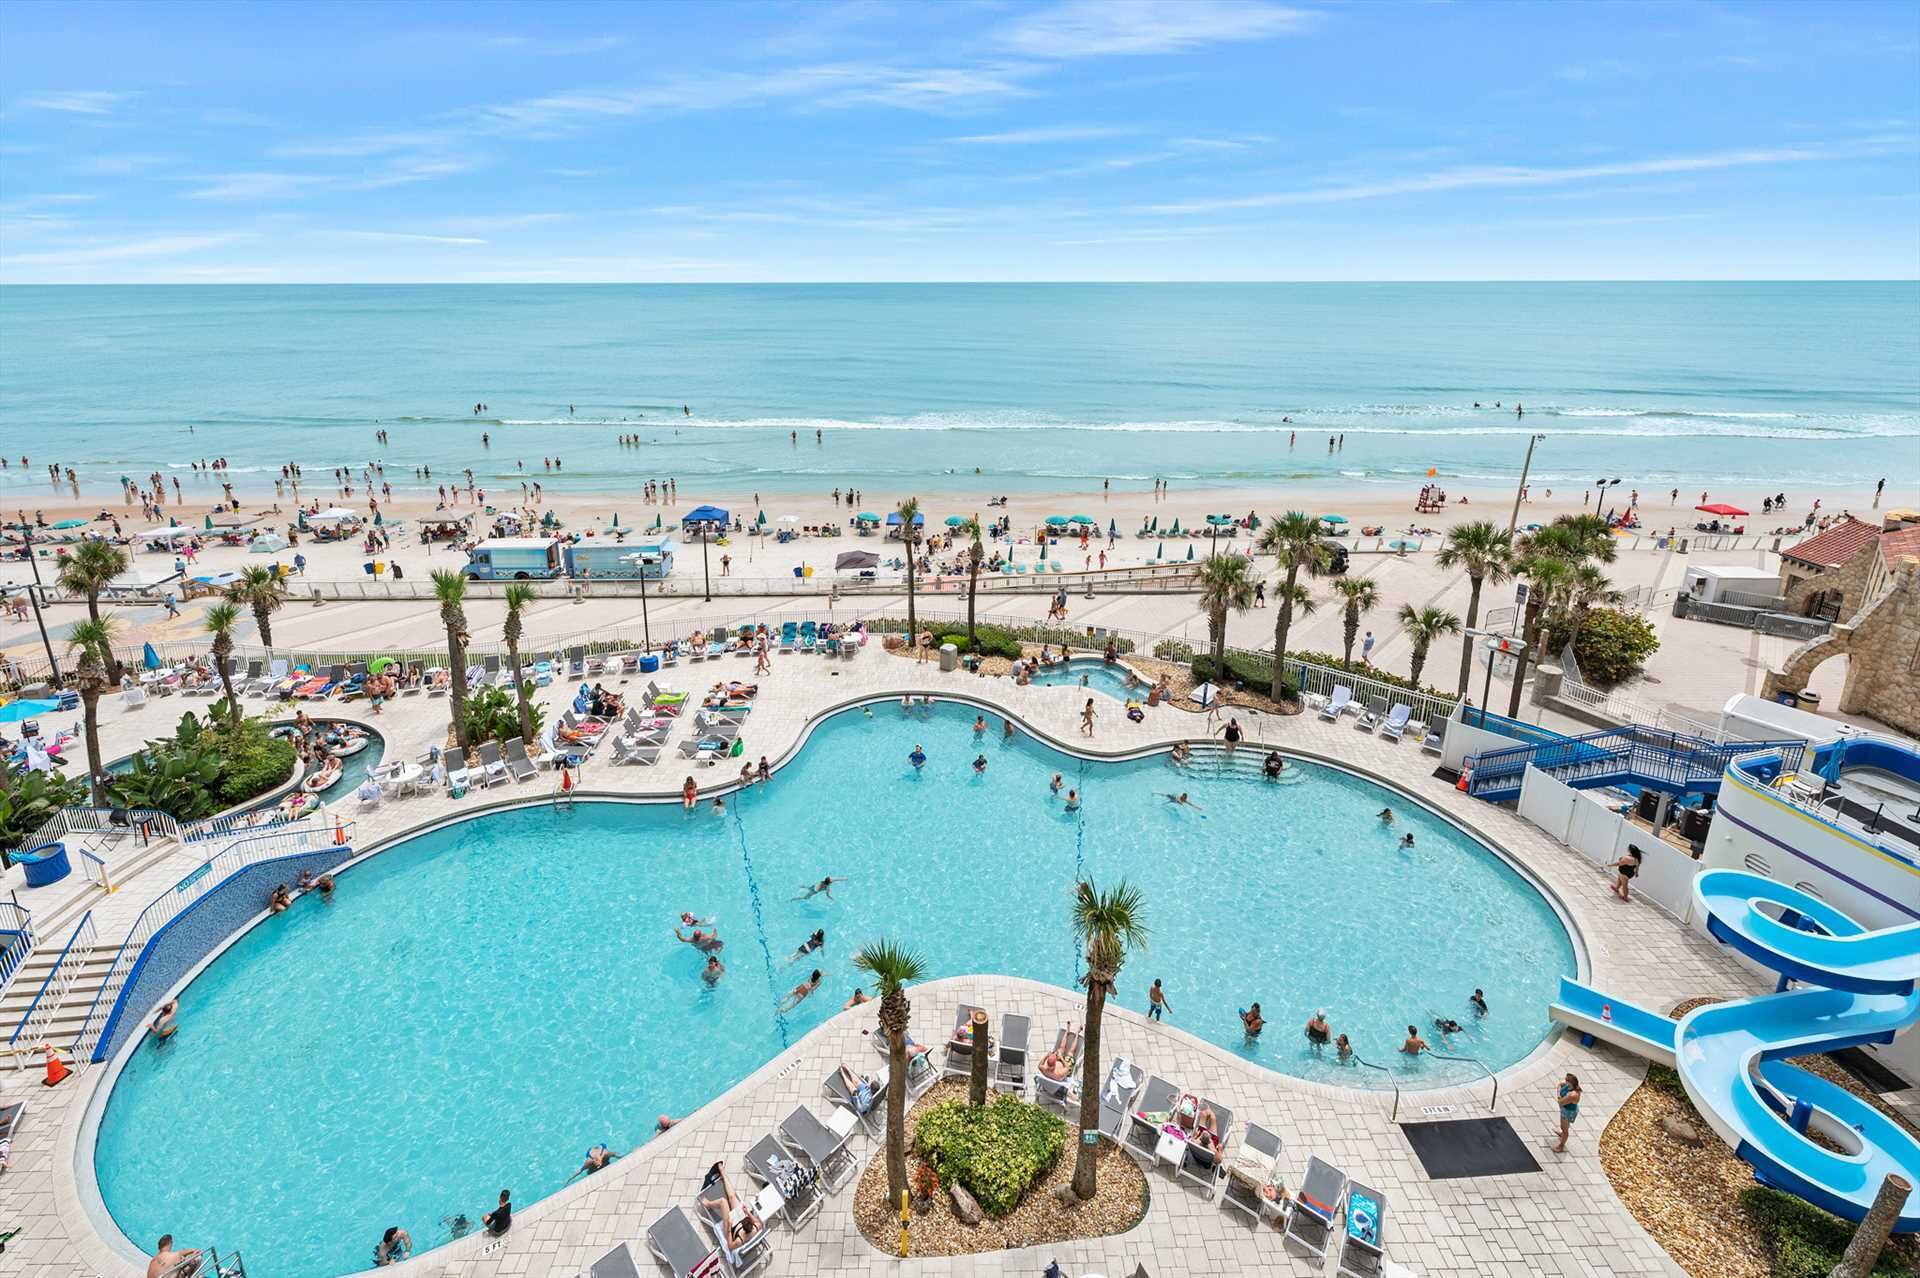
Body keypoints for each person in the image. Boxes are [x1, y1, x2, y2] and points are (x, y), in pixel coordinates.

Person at [698, 1163, 765, 1257]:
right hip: (739, 1218)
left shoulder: (739, 1241)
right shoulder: (756, 1227)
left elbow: (730, 1246)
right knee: (732, 1197)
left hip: (731, 1227)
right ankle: (723, 1175)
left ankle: (708, 1204)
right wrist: (747, 1213)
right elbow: (758, 1222)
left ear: (745, 1231)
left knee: (723, 1202)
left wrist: (729, 1229)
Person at [1552, 1074, 1582, 1152]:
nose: (1565, 1081)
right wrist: (1559, 1094)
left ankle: (1561, 1146)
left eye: (1566, 1080)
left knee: (1564, 1129)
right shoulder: (1569, 1086)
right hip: (1565, 1109)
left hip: (1568, 1112)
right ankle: (1562, 1134)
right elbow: (1559, 1084)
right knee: (1564, 1127)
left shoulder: (1572, 1095)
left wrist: (1558, 1095)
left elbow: (1560, 1102)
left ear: (1571, 1082)